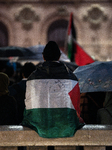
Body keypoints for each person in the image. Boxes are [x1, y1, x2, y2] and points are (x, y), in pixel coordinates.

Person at [22, 41, 84, 139]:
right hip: (66, 126)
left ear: (43, 57)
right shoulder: (72, 78)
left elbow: (29, 104)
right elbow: (76, 108)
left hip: (39, 125)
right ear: (59, 57)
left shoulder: (32, 78)